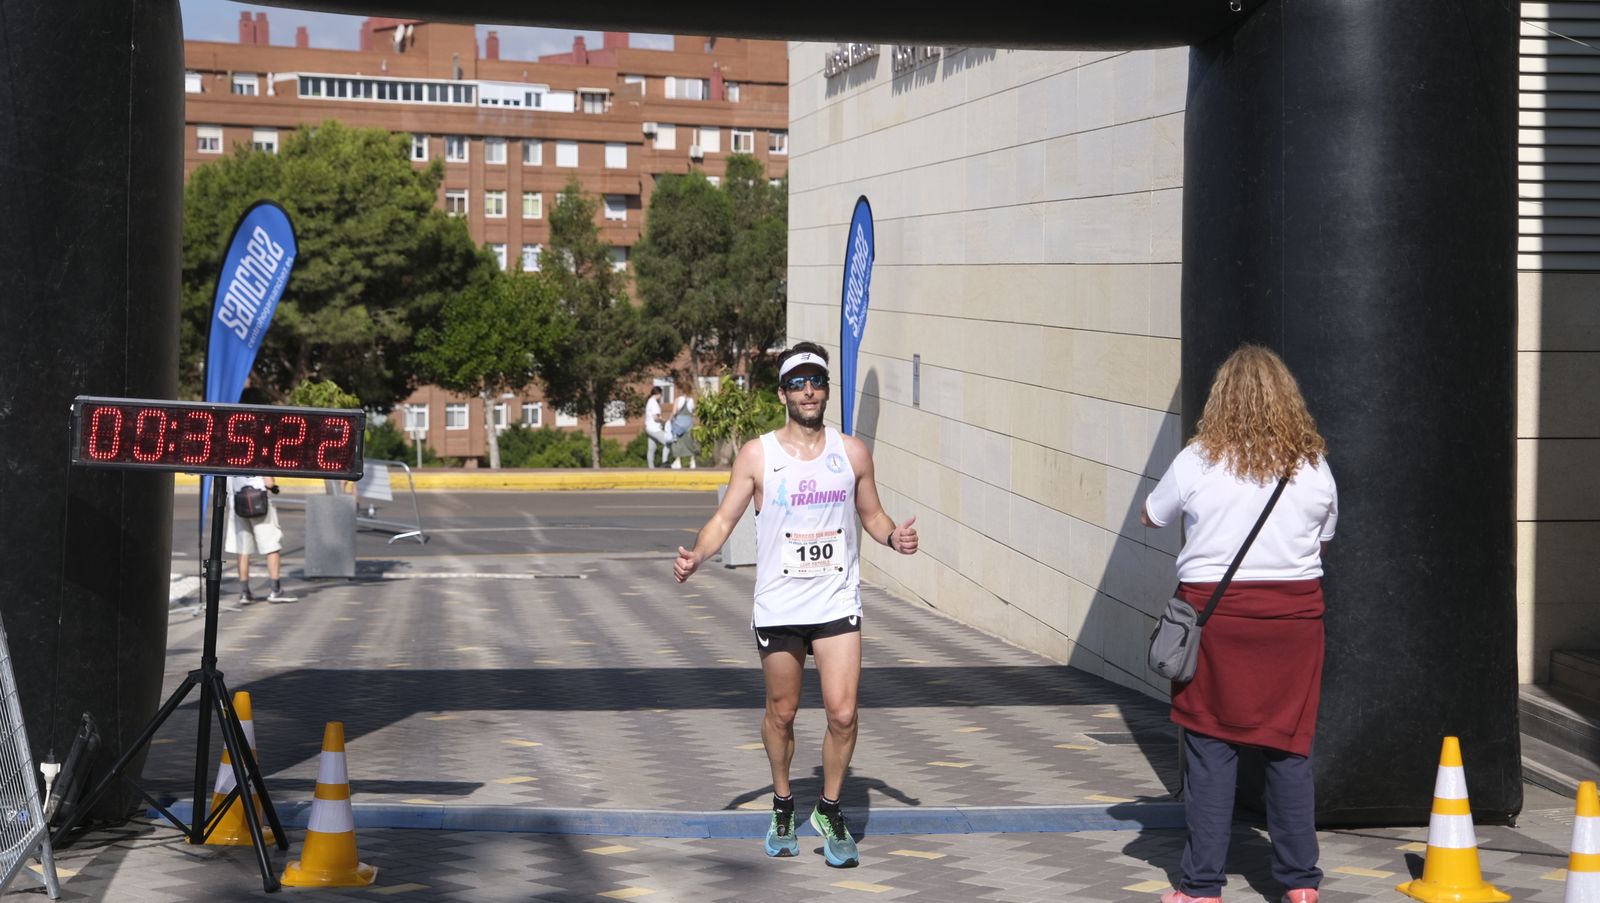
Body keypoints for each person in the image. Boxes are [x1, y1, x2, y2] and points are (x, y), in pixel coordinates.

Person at [674, 341, 919, 869]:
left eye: (816, 381)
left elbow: (873, 515)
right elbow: (724, 520)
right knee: (782, 714)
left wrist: (893, 537)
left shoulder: (852, 453)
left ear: (826, 390)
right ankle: (784, 802)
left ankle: (829, 808)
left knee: (843, 713)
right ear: (782, 393)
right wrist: (697, 555)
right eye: (798, 383)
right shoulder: (758, 455)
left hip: (835, 601)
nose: (809, 391)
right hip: (781, 607)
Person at [1141, 345, 1337, 903]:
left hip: (1216, 620)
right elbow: (1323, 540)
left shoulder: (1197, 460)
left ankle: (1202, 887)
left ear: (1220, 399)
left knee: (1209, 748)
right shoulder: (1313, 466)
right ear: (1288, 399)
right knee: (1289, 748)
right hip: (1294, 623)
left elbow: (1151, 516)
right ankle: (1301, 885)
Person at [226, 474, 296, 604]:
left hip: (237, 503)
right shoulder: (261, 460)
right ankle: (276, 590)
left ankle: (245, 592)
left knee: (242, 549)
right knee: (272, 546)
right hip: (259, 502)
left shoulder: (231, 461)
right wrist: (274, 487)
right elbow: (269, 482)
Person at [667, 383, 697, 469]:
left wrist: (669, 420)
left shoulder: (678, 399)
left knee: (677, 442)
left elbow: (674, 412)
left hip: (679, 423)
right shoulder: (691, 400)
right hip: (689, 422)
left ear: (682, 390)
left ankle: (678, 461)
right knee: (690, 442)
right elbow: (693, 412)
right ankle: (692, 461)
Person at [643, 386, 673, 468]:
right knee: (668, 442)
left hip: (649, 428)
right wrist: (664, 420)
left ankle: (651, 467)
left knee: (651, 448)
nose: (661, 396)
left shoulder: (649, 401)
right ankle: (664, 461)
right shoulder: (653, 403)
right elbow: (655, 418)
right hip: (654, 428)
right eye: (661, 394)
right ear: (658, 394)